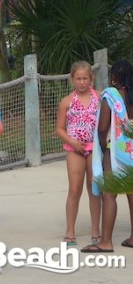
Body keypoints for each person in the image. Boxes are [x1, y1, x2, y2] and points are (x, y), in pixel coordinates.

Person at [85, 58, 133, 253]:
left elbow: (103, 127)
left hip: (115, 151)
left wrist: (102, 147)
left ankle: (105, 241)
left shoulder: (111, 96)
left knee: (109, 195)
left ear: (114, 77)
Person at [55, 61, 101, 246]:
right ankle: (70, 230)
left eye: (85, 78)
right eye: (78, 78)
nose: (82, 82)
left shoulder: (99, 98)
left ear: (91, 79)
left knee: (95, 189)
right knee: (75, 189)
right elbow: (59, 129)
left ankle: (96, 229)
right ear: (72, 80)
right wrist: (72, 142)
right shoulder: (66, 102)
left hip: (95, 148)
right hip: (74, 149)